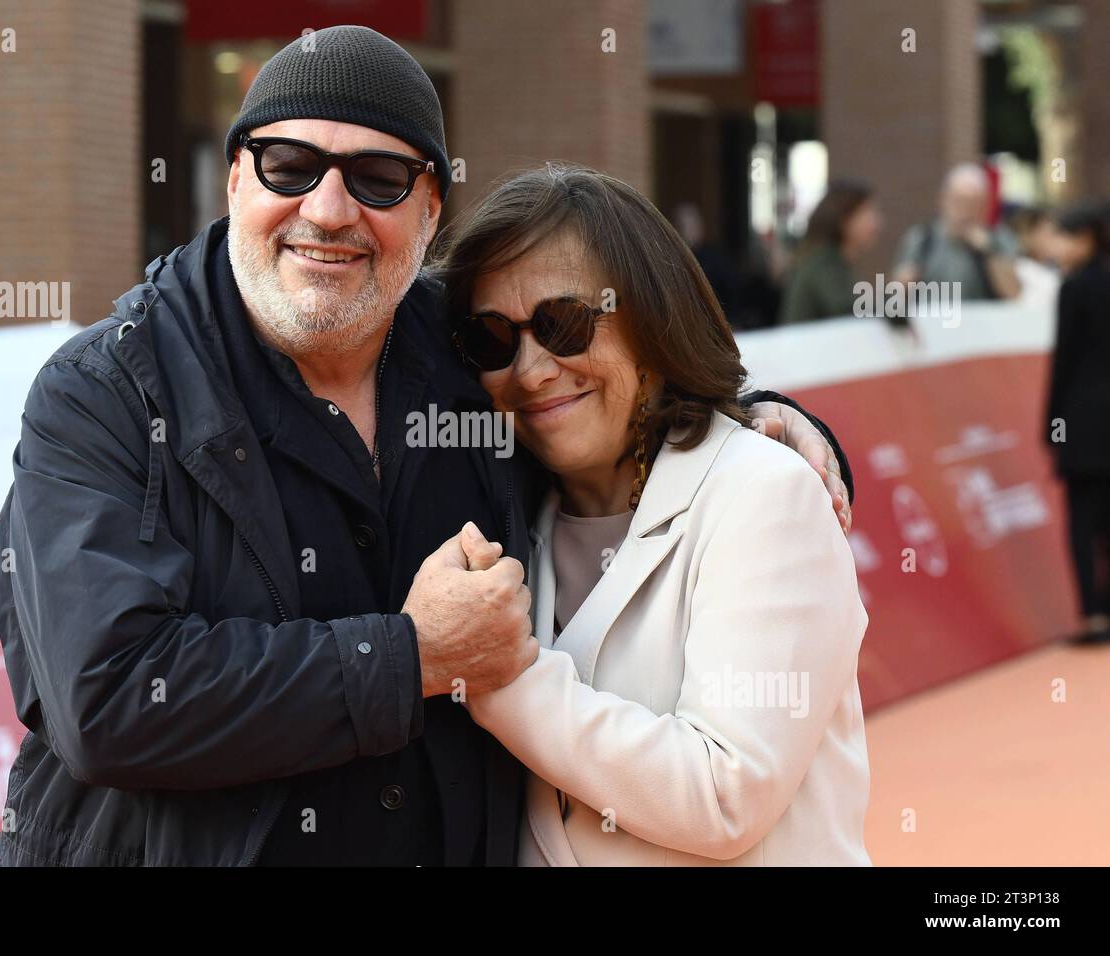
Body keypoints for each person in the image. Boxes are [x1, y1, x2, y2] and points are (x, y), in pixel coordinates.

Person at [0, 25, 853, 867]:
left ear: (431, 207)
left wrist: (747, 414)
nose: (327, 212)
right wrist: (409, 658)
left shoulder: (470, 351)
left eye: (378, 178)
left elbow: (595, 372)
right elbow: (106, 701)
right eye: (289, 166)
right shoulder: (102, 395)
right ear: (234, 181)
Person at [435, 164, 870, 865]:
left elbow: (726, 795)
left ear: (652, 316)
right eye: (492, 339)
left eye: (564, 323)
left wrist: (502, 674)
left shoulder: (763, 494)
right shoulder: (504, 514)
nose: (531, 368)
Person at [1045, 200, 1110, 645]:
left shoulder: (1075, 288)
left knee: (1083, 521)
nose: (1055, 246)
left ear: (1085, 237)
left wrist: (1051, 424)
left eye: (1062, 236)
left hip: (1084, 424)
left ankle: (1092, 615)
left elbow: (1064, 361)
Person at [893, 163, 1022, 301]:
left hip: (983, 320)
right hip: (931, 319)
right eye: (959, 202)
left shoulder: (999, 239)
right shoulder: (922, 239)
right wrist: (905, 281)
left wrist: (988, 251)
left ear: (985, 206)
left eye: (973, 204)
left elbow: (1013, 293)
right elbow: (895, 292)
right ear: (943, 200)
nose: (965, 211)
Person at [779, 179, 882, 325]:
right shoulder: (824, 262)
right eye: (868, 213)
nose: (876, 223)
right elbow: (846, 308)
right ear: (844, 219)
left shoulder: (828, 259)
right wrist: (896, 294)